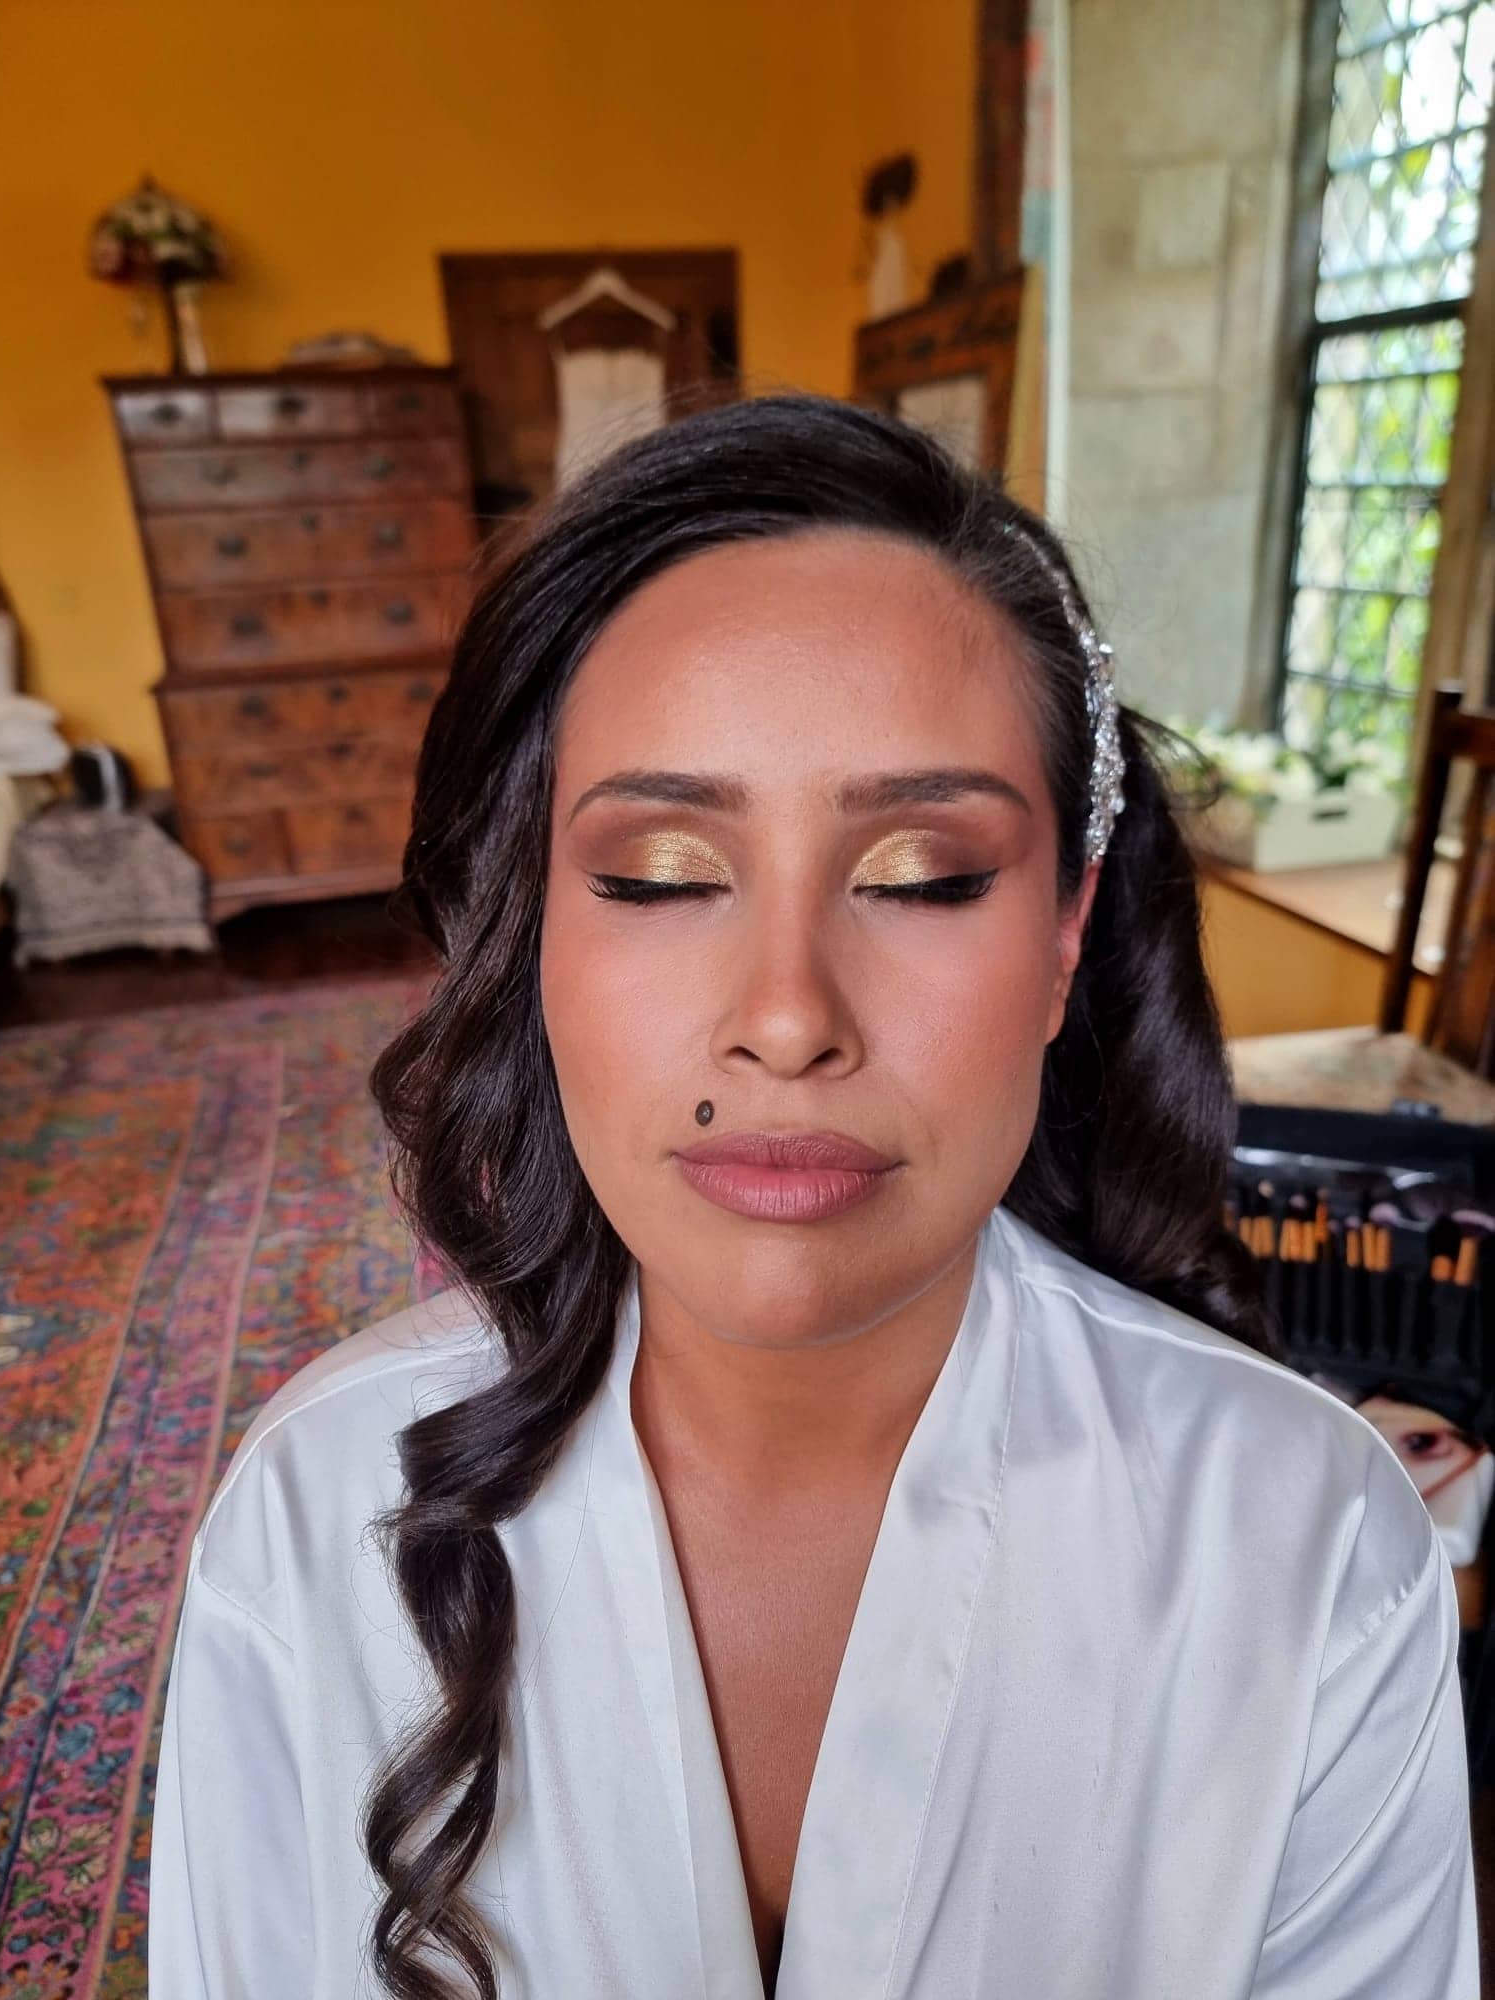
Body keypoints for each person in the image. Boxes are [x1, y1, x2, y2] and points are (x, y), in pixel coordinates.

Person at [147, 396, 1479, 1999]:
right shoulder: (310, 1521)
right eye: (660, 874)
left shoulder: (1311, 1548)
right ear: (537, 933)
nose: (787, 1016)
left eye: (923, 879)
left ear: (1064, 939)